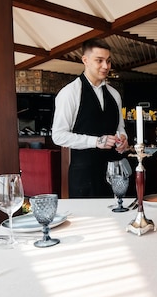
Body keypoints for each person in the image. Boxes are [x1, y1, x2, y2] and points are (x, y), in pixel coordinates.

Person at [52, 38, 129, 198]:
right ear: (85, 60)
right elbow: (58, 136)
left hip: (114, 174)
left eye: (108, 61)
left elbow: (119, 127)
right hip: (83, 176)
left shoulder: (114, 94)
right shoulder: (70, 93)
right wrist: (95, 141)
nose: (106, 66)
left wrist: (123, 137)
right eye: (99, 61)